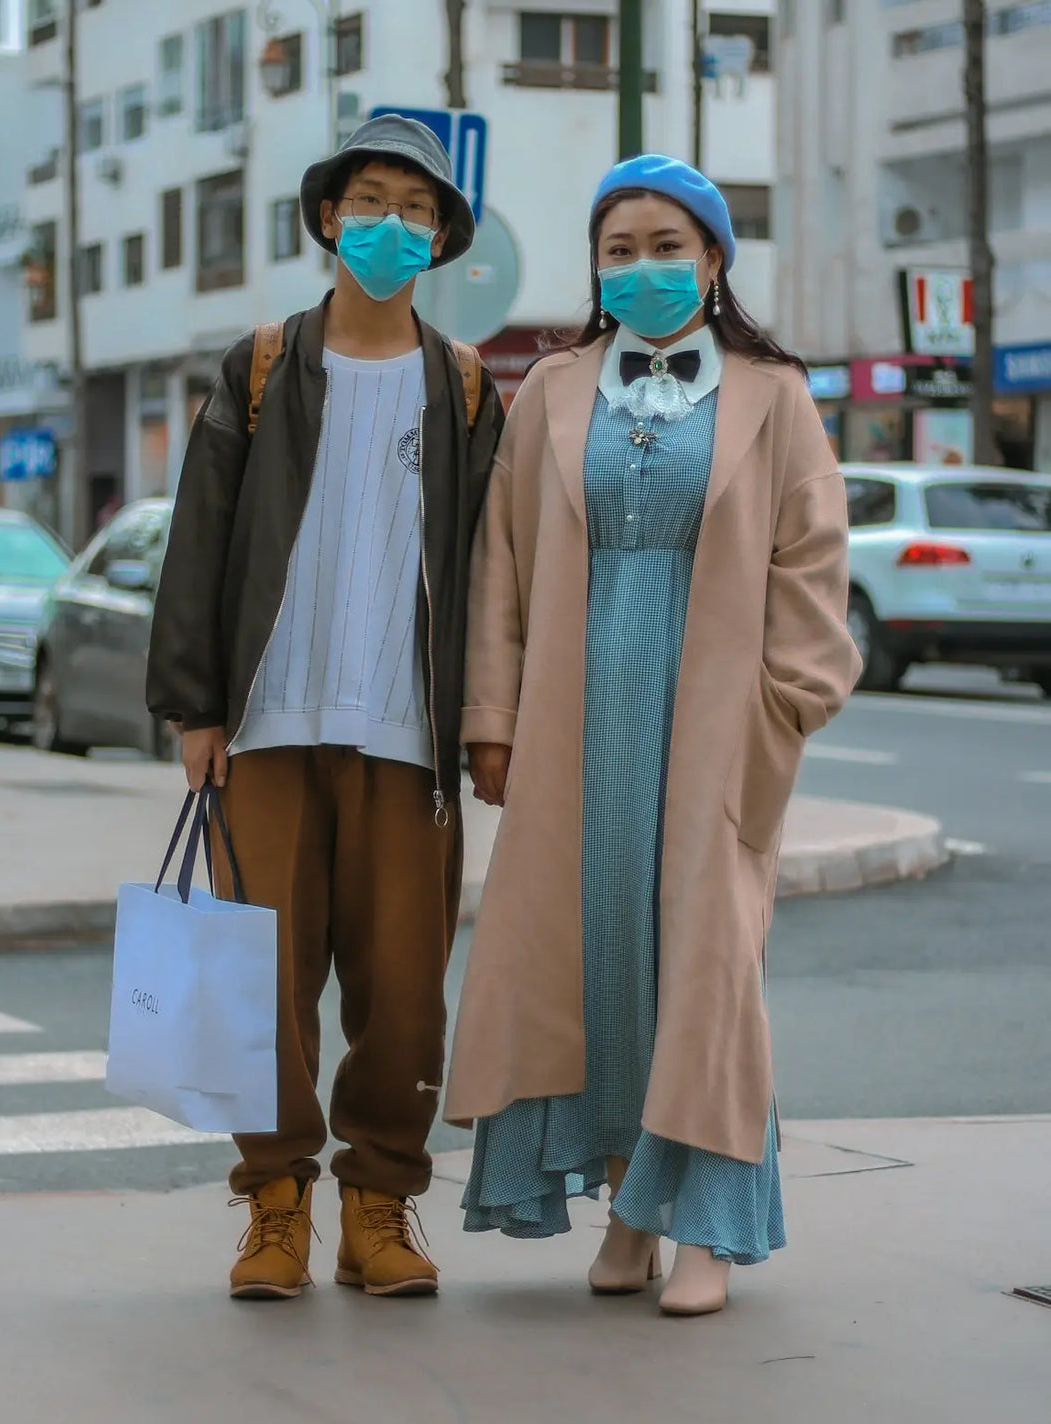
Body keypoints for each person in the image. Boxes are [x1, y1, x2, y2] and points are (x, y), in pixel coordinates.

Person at [444, 155, 861, 1316]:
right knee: (594, 961)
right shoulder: (555, 390)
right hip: (574, 727)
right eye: (617, 250)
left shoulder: (773, 396)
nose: (641, 268)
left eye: (666, 246)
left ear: (714, 259)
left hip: (718, 728)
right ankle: (626, 1205)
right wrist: (492, 721)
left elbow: (813, 574)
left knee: (706, 967)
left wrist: (781, 707)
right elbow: (502, 571)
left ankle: (707, 1231)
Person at [147, 115, 503, 1302]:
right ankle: (274, 1205)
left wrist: (486, 712)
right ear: (324, 220)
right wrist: (193, 707)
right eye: (368, 200)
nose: (388, 225)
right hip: (266, 726)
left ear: (442, 235)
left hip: (409, 739)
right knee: (269, 980)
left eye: (414, 207)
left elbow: (491, 566)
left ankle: (379, 1201)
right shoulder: (260, 365)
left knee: (402, 984)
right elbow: (198, 538)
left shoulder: (460, 386)